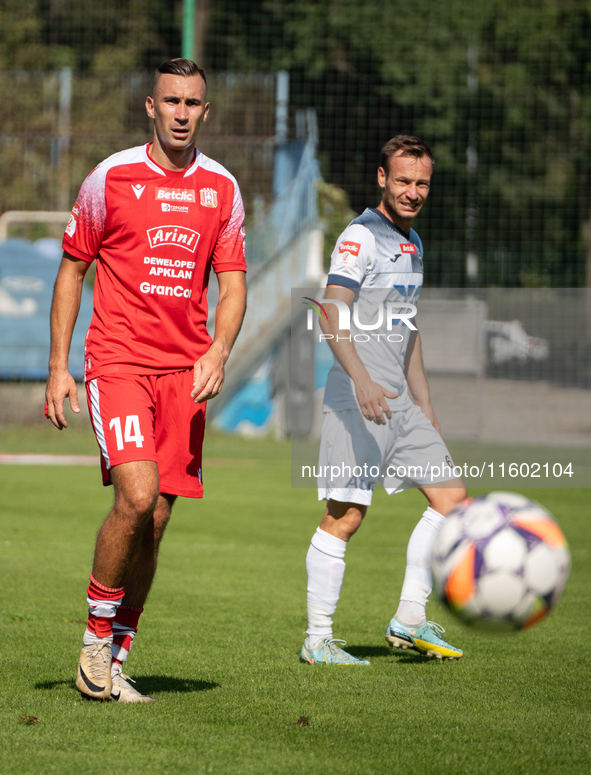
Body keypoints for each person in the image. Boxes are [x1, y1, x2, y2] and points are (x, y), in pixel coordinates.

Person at [45, 58, 247, 701]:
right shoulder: (110, 178)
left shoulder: (223, 189)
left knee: (156, 518)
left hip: (185, 377)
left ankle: (117, 656)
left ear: (205, 113)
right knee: (135, 497)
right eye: (172, 101)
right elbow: (73, 269)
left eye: (193, 103)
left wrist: (218, 351)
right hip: (119, 362)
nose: (182, 113)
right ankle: (92, 646)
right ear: (150, 107)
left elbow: (234, 282)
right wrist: (59, 367)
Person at [300, 135, 466, 666]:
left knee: (452, 500)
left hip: (401, 406)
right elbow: (331, 310)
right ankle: (317, 640)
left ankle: (410, 621)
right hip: (358, 400)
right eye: (403, 181)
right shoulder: (359, 237)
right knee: (345, 516)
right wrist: (362, 380)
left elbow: (407, 330)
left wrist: (427, 405)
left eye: (422, 183)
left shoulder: (414, 244)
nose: (413, 192)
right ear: (381, 178)